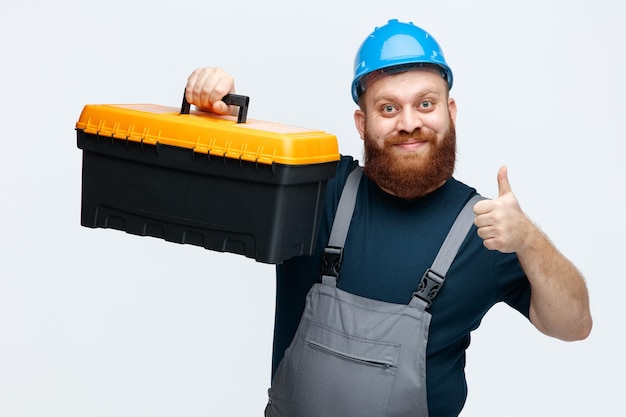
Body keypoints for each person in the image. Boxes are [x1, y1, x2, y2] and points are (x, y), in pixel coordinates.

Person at [185, 19, 592, 417]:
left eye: (426, 104)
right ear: (362, 123)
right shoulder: (314, 190)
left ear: (450, 111)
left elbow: (574, 324)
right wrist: (215, 120)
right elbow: (204, 195)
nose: (409, 122)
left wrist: (529, 240)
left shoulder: (484, 228)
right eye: (388, 108)